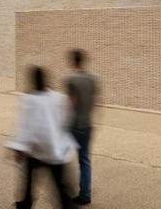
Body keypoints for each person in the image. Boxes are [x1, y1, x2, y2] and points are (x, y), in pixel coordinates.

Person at [7, 65, 76, 209]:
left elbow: (26, 126)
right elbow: (67, 117)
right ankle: (68, 206)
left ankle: (25, 204)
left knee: (28, 182)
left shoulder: (29, 99)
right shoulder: (57, 97)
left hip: (36, 151)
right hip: (54, 150)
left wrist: (18, 148)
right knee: (61, 187)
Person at [65, 49, 99, 206]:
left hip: (73, 125)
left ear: (73, 62)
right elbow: (95, 102)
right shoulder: (93, 79)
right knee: (84, 160)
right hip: (87, 125)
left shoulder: (70, 79)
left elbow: (71, 103)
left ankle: (63, 191)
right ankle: (85, 195)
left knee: (60, 156)